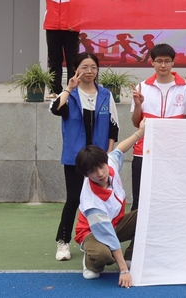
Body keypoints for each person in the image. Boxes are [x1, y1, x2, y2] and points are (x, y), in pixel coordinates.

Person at [50, 52, 119, 262]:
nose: (90, 71)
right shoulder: (70, 95)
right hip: (75, 158)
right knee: (73, 199)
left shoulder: (105, 94)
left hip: (98, 158)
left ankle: (92, 239)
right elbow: (56, 109)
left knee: (99, 200)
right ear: (75, 70)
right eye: (85, 67)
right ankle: (63, 241)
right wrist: (68, 88)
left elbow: (113, 126)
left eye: (93, 67)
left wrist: (108, 153)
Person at [74, 120, 145, 287]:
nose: (100, 173)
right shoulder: (92, 202)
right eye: (92, 171)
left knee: (146, 214)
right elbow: (109, 237)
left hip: (115, 223)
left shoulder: (109, 165)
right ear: (86, 175)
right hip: (92, 232)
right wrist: (124, 271)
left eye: (101, 166)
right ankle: (90, 260)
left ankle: (130, 256)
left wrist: (141, 132)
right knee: (103, 255)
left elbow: (119, 149)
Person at [130, 43, 186, 211]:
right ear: (152, 62)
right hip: (144, 151)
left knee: (170, 198)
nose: (163, 65)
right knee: (139, 199)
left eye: (167, 61)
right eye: (159, 61)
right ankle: (136, 229)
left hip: (173, 153)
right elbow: (136, 123)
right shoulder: (142, 87)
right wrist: (138, 105)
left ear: (173, 62)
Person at [39, 0, 80, 98]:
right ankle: (55, 90)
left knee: (72, 60)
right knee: (54, 60)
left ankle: (73, 90)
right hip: (52, 26)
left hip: (71, 26)